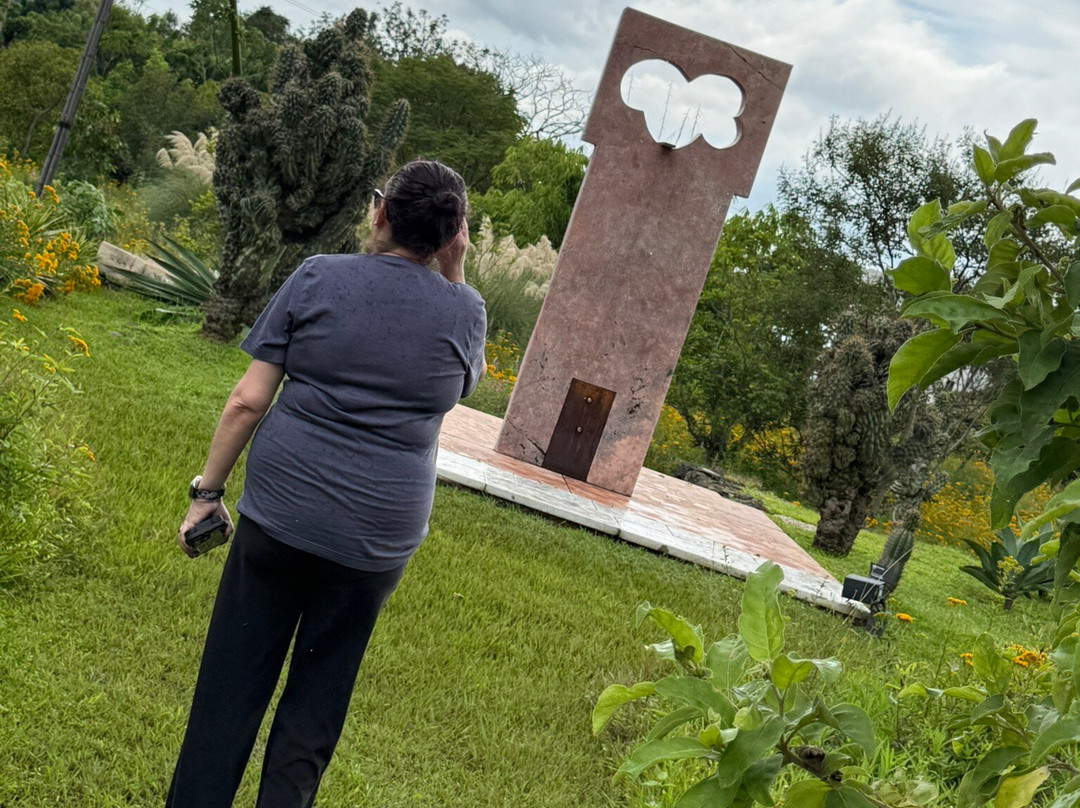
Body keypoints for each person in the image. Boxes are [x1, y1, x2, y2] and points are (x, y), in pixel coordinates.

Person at [167, 160, 486, 808]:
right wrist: (454, 273)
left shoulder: (318, 276)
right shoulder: (465, 312)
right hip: (373, 545)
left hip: (280, 519)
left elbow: (247, 402)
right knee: (315, 705)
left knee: (229, 689)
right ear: (453, 234)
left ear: (381, 212)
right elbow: (464, 386)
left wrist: (207, 495)